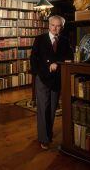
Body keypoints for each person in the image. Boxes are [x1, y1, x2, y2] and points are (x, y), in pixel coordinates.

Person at [30, 15, 73, 150]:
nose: (55, 28)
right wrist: (39, 73)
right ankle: (44, 138)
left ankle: (48, 133)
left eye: (58, 25)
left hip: (56, 80)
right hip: (42, 78)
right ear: (49, 25)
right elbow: (33, 59)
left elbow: (69, 58)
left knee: (52, 109)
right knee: (43, 109)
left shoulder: (65, 41)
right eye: (53, 25)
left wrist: (57, 63)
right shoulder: (39, 39)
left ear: (62, 27)